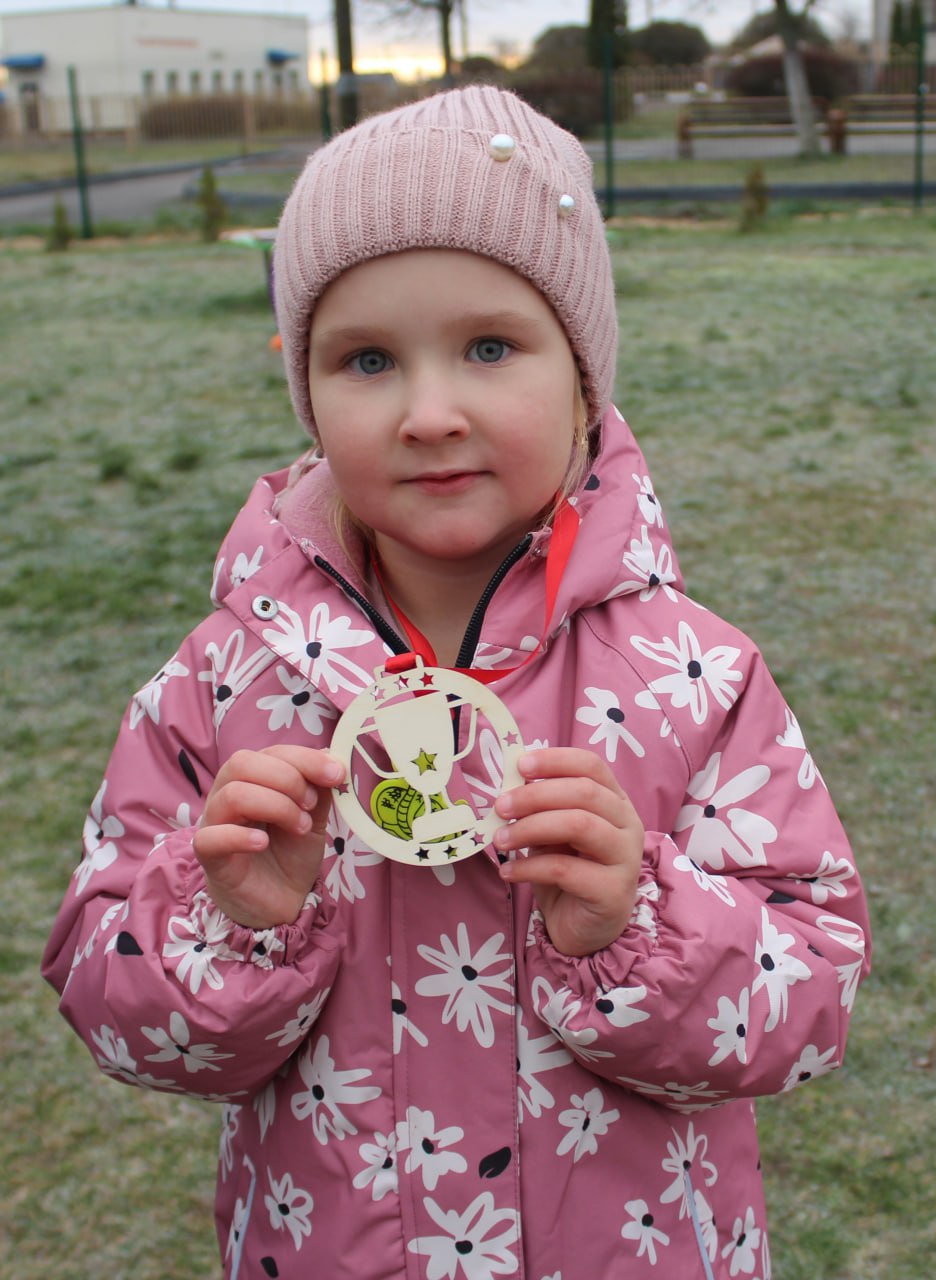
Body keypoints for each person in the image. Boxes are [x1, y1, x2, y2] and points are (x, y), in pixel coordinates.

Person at [42, 86, 870, 1280]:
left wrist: (638, 922)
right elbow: (112, 1004)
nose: (430, 414)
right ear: (307, 387)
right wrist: (231, 922)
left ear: (583, 378)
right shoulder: (222, 680)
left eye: (489, 347)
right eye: (368, 359)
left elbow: (815, 998)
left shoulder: (697, 680)